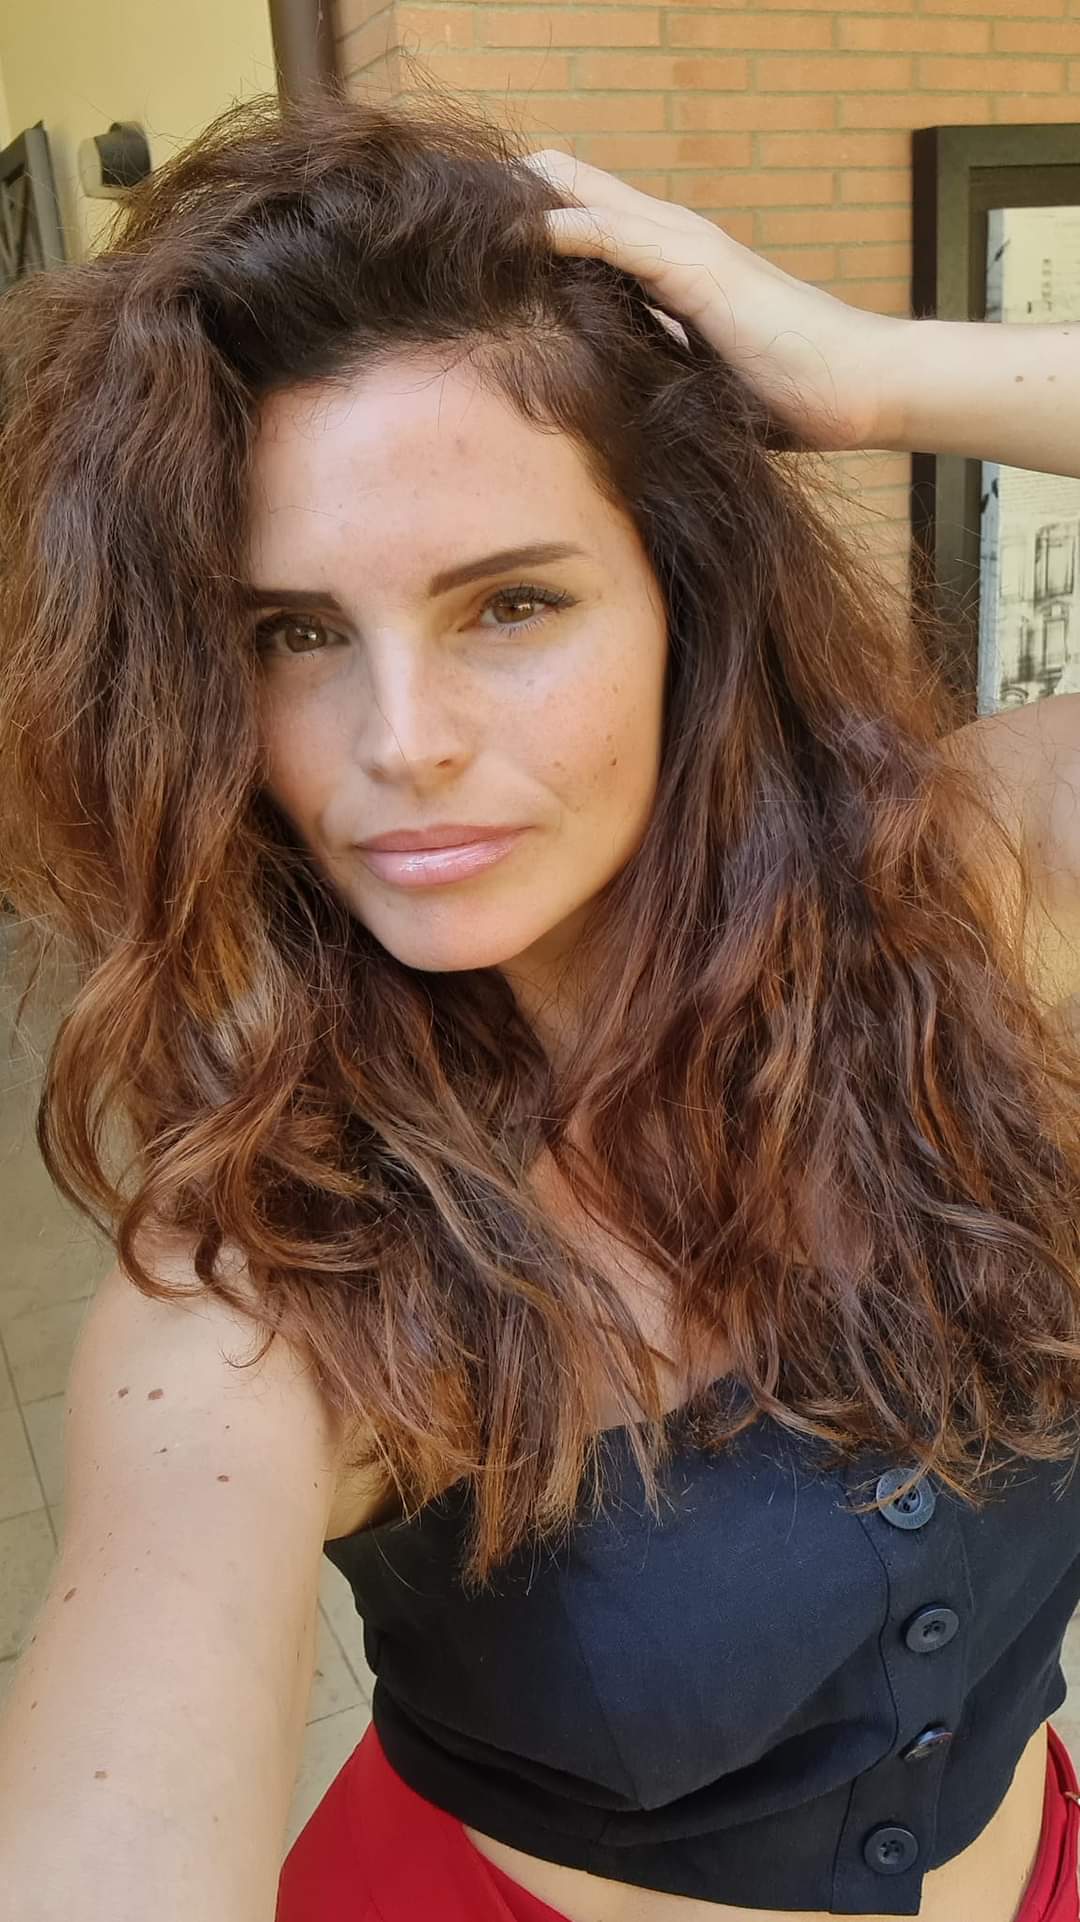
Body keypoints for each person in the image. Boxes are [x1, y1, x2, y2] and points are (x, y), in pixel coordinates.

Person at [1, 77, 1080, 1922]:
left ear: (684, 595)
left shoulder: (982, 898)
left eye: (509, 603)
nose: (401, 741)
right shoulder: (270, 1272)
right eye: (294, 633)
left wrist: (867, 372)